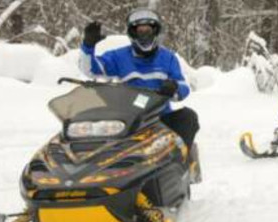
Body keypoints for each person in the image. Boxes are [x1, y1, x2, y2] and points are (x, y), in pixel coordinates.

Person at [79, 9, 200, 149]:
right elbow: (90, 70)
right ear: (132, 33)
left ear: (155, 32)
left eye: (148, 31)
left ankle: (180, 159)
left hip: (160, 118)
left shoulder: (168, 58)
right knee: (95, 124)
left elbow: (183, 86)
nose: (144, 36)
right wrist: (88, 46)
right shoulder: (118, 57)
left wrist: (174, 88)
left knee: (188, 117)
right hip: (129, 119)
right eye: (140, 31)